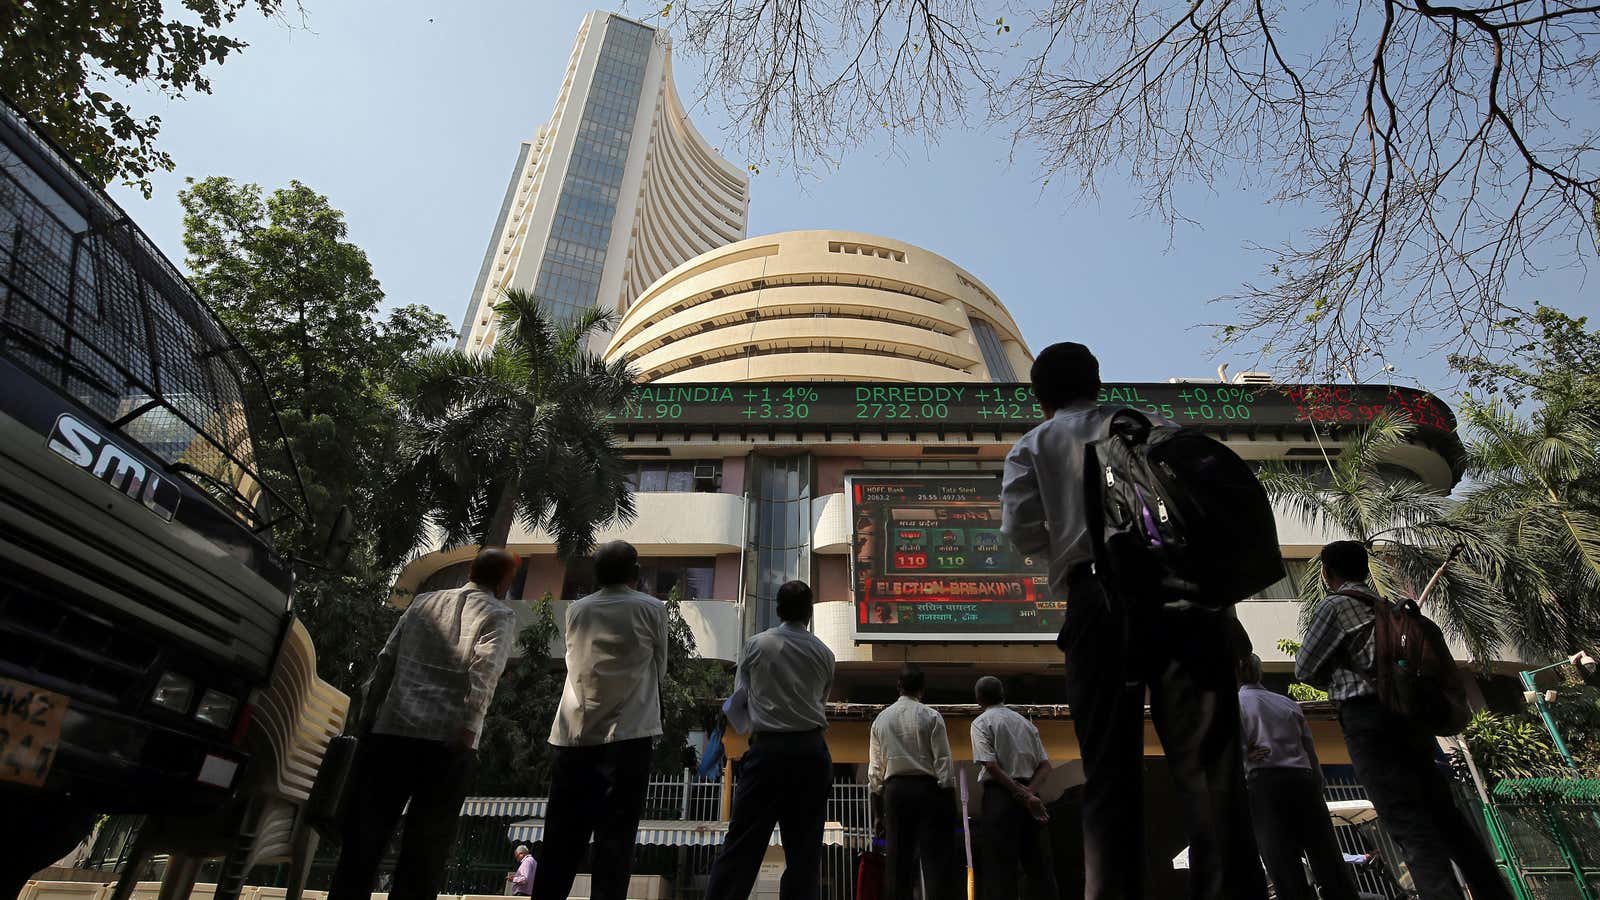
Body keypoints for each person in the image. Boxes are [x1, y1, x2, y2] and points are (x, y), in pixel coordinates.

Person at [999, 341, 1266, 900]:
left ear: (1041, 397)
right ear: (1098, 383)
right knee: (1210, 772)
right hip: (1188, 603)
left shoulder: (1035, 444)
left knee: (1108, 773)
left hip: (1098, 601)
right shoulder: (1152, 425)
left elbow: (1023, 534)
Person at [1297, 540, 1512, 900]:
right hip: (1411, 719)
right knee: (1446, 818)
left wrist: (1336, 674)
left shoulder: (1335, 606)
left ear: (1327, 572)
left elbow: (1305, 668)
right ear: (1365, 569)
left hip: (1368, 721)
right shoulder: (1388, 609)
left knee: (1407, 823)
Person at [330, 547, 520, 900]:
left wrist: (369, 716)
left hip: (391, 731)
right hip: (446, 741)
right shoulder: (499, 614)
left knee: (364, 838)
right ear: (506, 580)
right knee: (425, 847)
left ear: (472, 570)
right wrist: (468, 729)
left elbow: (386, 659)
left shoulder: (423, 603)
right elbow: (485, 673)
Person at [532, 540, 668, 900]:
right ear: (636, 574)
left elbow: (572, 659)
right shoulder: (653, 609)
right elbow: (660, 668)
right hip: (628, 738)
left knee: (560, 841)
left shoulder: (577, 610)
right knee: (616, 842)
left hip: (573, 736)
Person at [705, 580, 836, 900]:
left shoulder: (755, 645)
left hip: (767, 753)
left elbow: (739, 700)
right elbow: (821, 699)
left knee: (741, 845)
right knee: (804, 851)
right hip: (811, 754)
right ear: (809, 611)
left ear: (777, 610)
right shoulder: (825, 653)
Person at [1236, 653, 1358, 900]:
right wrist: (1317, 782)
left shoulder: (1236, 704)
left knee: (1282, 860)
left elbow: (1234, 749)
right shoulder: (1286, 703)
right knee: (1326, 854)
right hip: (1303, 780)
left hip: (1265, 783)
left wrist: (1246, 756)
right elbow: (1310, 749)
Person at [868, 664, 956, 900]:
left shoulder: (881, 720)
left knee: (897, 860)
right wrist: (950, 802)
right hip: (928, 790)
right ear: (923, 689)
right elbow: (944, 763)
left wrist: (877, 813)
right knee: (934, 858)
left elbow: (875, 771)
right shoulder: (932, 716)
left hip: (895, 792)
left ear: (898, 687)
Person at [969, 676, 1058, 900]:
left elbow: (991, 766)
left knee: (1000, 869)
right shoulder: (1025, 723)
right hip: (1032, 794)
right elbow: (1046, 765)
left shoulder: (981, 723)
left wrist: (1020, 794)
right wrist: (1030, 795)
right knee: (1039, 867)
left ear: (979, 699)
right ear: (1003, 696)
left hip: (1001, 796)